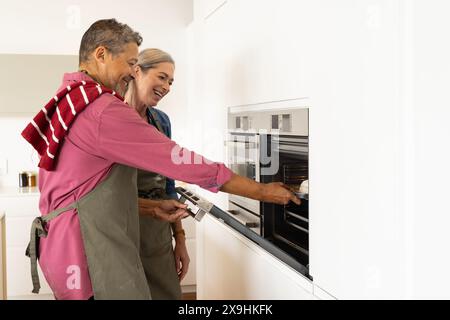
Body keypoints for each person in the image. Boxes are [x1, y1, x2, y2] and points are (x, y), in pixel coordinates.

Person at [22, 18, 300, 300]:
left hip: (65, 248)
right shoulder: (103, 110)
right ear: (101, 54)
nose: (133, 71)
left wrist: (153, 209)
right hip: (89, 254)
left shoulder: (72, 97)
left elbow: (86, 195)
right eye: (131, 63)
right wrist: (262, 191)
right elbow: (183, 162)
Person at [125, 48, 188, 300]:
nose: (168, 86)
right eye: (162, 77)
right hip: (119, 227)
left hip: (157, 230)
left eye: (171, 81)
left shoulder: (161, 121)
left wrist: (180, 239)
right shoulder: (109, 118)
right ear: (137, 71)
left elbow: (168, 184)